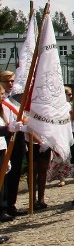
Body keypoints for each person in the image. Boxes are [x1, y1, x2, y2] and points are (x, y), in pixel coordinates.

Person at [0, 71, 25, 218]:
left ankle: (11, 204)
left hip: (18, 135)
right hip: (6, 136)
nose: (10, 83)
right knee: (5, 174)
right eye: (7, 81)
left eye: (12, 81)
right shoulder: (3, 101)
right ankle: (3, 206)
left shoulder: (15, 99)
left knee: (15, 172)